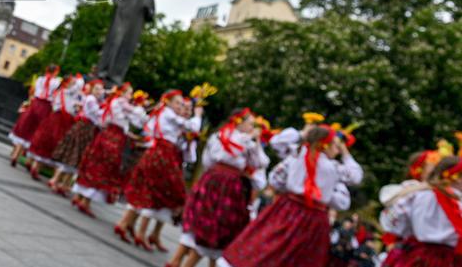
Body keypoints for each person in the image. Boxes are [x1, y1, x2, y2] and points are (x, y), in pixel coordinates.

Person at [219, 124, 364, 267]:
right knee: (300, 258)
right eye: (336, 146)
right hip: (314, 218)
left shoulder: (296, 156)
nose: (337, 150)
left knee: (269, 247)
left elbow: (275, 179)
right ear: (325, 146)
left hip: (288, 210)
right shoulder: (334, 168)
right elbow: (356, 176)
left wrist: (290, 187)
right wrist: (346, 153)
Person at [168, 108, 269, 267]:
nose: (252, 127)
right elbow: (260, 163)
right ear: (240, 123)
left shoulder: (218, 135)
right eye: (250, 124)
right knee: (220, 224)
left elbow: (208, 161)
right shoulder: (247, 142)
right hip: (230, 185)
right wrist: (255, 143)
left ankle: (177, 261)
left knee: (202, 218)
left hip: (211, 179)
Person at [117, 89, 204, 250]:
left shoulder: (165, 113)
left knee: (149, 189)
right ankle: (134, 228)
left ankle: (127, 224)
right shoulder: (168, 113)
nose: (180, 106)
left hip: (160, 153)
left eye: (182, 104)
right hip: (163, 154)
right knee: (160, 191)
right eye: (178, 103)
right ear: (168, 102)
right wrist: (198, 115)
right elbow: (191, 126)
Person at [72, 82, 141, 217]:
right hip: (113, 137)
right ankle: (85, 201)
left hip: (107, 134)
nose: (130, 96)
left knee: (94, 164)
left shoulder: (114, 101)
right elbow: (136, 116)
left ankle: (79, 196)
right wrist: (138, 107)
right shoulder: (120, 102)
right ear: (122, 93)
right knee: (103, 167)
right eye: (129, 93)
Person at [380, 155, 462, 267]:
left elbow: (396, 225)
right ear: (455, 177)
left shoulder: (417, 194)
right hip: (445, 259)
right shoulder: (454, 202)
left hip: (416, 255)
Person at [48, 79, 105, 195]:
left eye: (101, 89)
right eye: (97, 89)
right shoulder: (91, 99)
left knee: (76, 157)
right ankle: (55, 180)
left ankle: (63, 184)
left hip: (87, 129)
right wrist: (106, 108)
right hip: (84, 127)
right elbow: (97, 113)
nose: (99, 91)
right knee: (73, 155)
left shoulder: (93, 100)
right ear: (92, 89)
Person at [27, 74, 84, 180]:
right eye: (72, 82)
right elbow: (78, 86)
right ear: (67, 83)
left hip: (58, 118)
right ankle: (37, 168)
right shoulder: (66, 91)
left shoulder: (63, 92)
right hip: (61, 119)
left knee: (48, 141)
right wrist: (80, 79)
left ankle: (35, 166)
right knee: (53, 141)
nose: (74, 84)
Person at [8, 64, 62, 167]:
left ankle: (15, 155)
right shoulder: (56, 82)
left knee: (26, 129)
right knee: (36, 131)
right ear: (55, 72)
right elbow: (56, 95)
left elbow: (34, 91)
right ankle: (28, 160)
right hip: (46, 107)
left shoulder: (40, 79)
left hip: (35, 104)